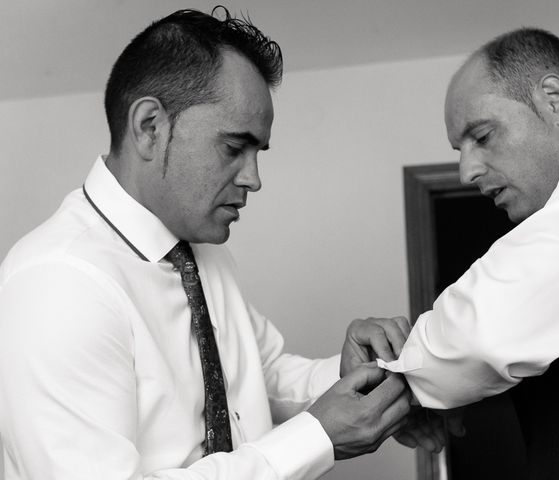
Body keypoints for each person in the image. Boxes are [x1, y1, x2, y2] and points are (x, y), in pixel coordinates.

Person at [0, 8, 422, 480]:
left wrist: (353, 377)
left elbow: (257, 375)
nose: (254, 179)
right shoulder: (58, 282)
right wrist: (315, 438)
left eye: (257, 152)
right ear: (149, 127)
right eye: (233, 147)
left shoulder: (204, 253)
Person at [375, 28, 559, 478]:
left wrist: (403, 380)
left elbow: (481, 332)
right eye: (460, 150)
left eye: (481, 136)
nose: (466, 171)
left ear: (555, 100)